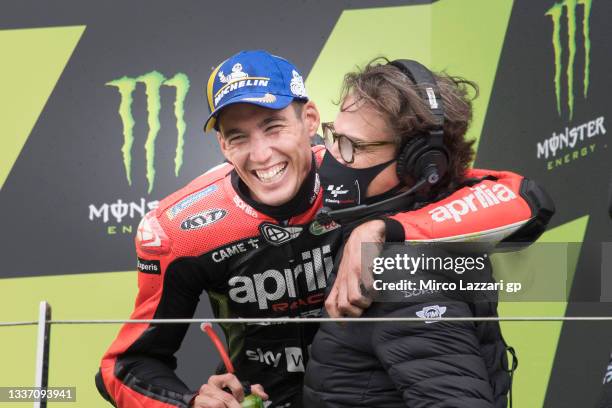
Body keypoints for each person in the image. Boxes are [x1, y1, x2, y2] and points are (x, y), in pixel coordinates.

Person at [95, 51, 547, 408]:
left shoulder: (363, 169)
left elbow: (522, 198)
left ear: (309, 120)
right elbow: (124, 365)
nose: (261, 154)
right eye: (238, 137)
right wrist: (190, 401)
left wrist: (384, 227)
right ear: (221, 144)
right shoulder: (181, 228)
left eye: (274, 126)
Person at [303, 59, 554, 407]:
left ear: (419, 166)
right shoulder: (414, 230)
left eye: (354, 147)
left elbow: (529, 198)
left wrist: (385, 229)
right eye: (334, 137)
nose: (332, 157)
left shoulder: (403, 274)